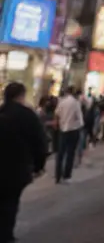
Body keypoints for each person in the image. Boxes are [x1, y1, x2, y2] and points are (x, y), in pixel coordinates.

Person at [0, 83, 47, 243]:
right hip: (17, 169)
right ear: (21, 95)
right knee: (10, 203)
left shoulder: (2, 112)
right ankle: (5, 235)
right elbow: (40, 142)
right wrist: (39, 165)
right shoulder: (28, 115)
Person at [53, 86, 84, 184]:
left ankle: (58, 176)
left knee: (60, 154)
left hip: (62, 130)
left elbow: (56, 114)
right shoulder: (76, 103)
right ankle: (67, 175)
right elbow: (80, 118)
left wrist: (58, 124)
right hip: (73, 130)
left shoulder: (62, 101)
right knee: (70, 153)